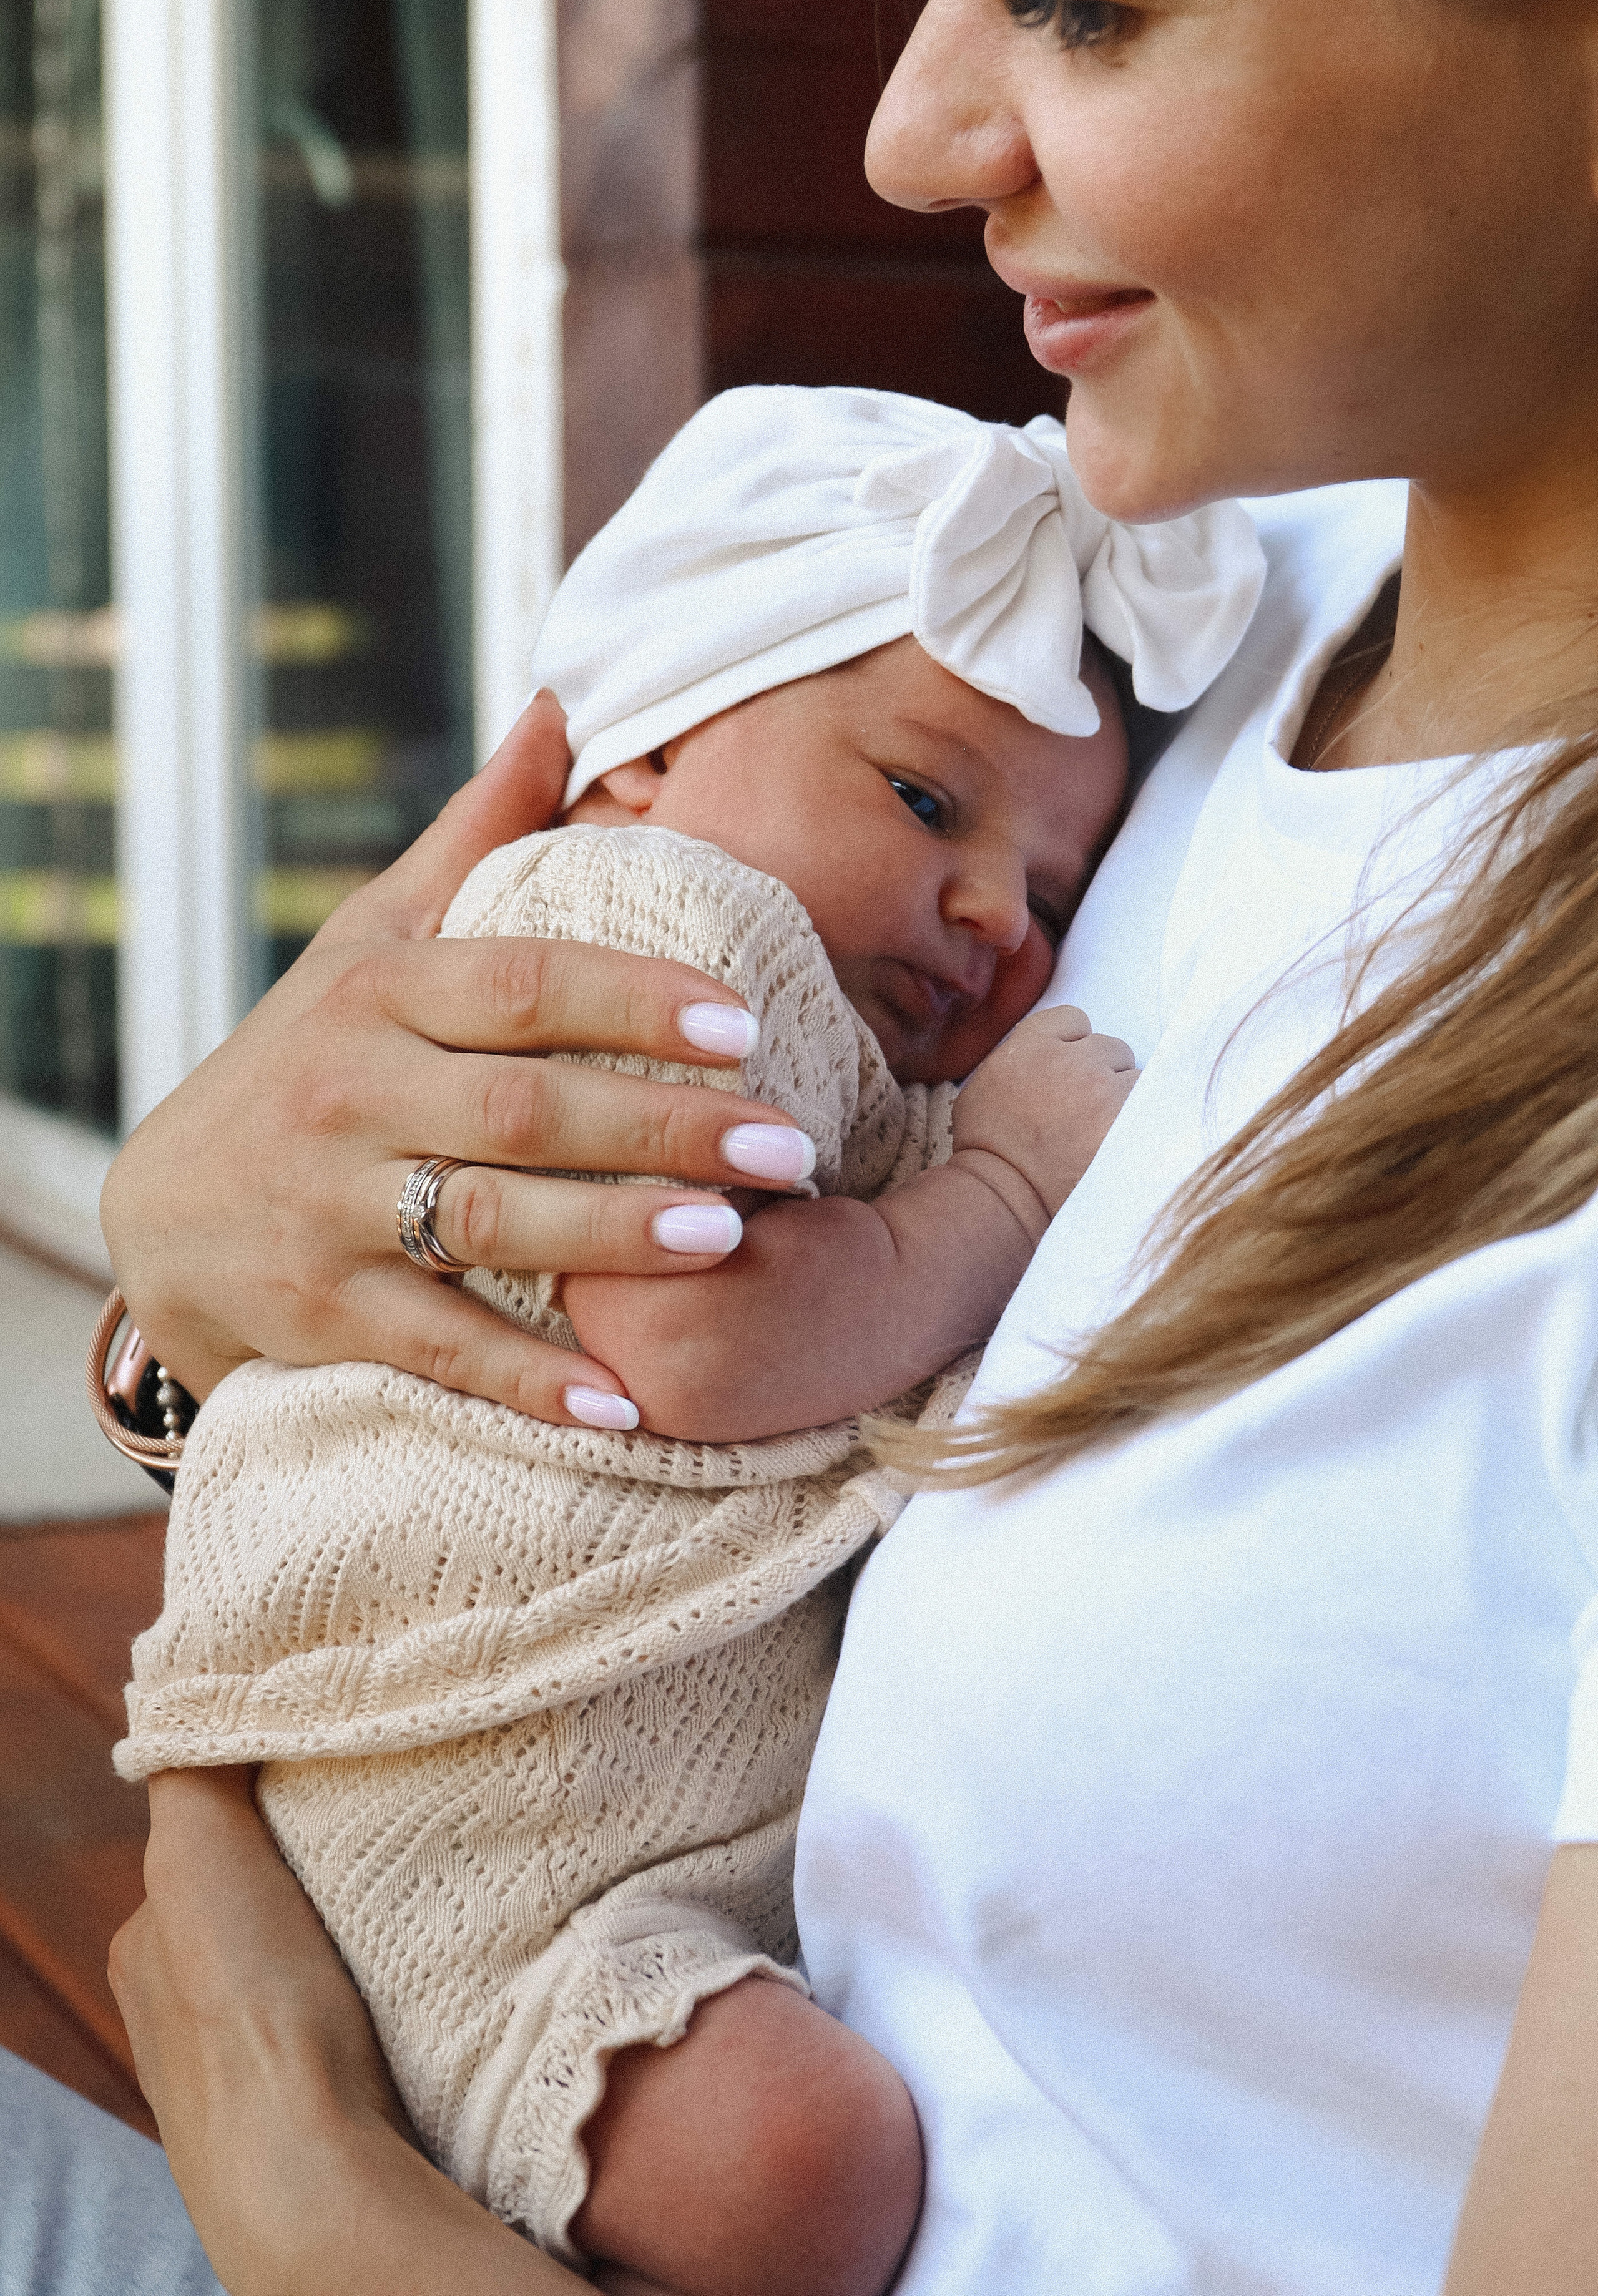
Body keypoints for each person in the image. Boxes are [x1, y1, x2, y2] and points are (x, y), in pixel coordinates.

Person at [64, 0, 1598, 2290]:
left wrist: (318, 2211)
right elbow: (306, 1235)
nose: (906, 135)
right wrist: (190, 1293)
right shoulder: (1163, 613)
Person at [110, 384, 1265, 2296]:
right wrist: (998, 1200)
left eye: (1060, 890)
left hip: (577, 1819)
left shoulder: (821, 1005)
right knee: (800, 2168)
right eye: (922, 800)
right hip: (483, 1820)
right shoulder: (667, 918)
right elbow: (699, 1340)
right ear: (636, 756)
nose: (999, 914)